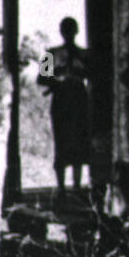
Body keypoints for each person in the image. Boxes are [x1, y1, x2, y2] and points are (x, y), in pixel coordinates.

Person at [37, 17, 92, 195]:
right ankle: (61, 187)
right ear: (61, 32)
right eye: (65, 30)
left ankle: (76, 186)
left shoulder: (85, 54)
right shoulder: (50, 54)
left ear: (76, 31)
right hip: (61, 101)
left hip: (79, 101)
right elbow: (41, 80)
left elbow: (93, 74)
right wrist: (57, 80)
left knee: (80, 141)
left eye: (71, 30)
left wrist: (77, 74)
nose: (68, 33)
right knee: (61, 142)